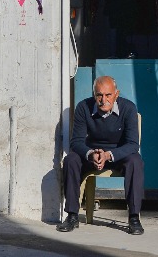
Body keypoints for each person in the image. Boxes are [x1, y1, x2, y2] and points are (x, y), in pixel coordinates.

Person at [57, 75, 145, 235]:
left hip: (118, 155)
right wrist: (91, 154)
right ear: (94, 95)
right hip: (92, 154)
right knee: (71, 159)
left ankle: (134, 217)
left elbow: (133, 144)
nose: (103, 100)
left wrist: (109, 155)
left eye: (108, 95)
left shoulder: (129, 108)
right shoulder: (83, 107)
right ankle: (72, 216)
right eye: (99, 95)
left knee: (135, 161)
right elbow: (76, 142)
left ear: (116, 94)